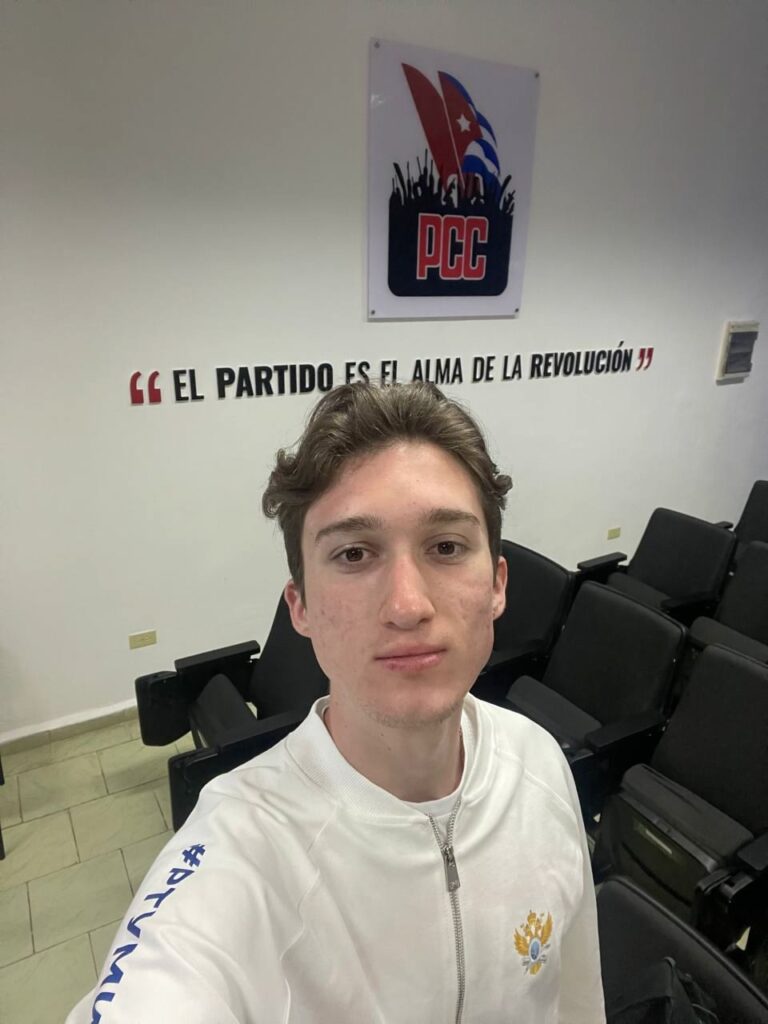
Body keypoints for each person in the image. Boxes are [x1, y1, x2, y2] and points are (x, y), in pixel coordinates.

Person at [67, 381, 605, 1023]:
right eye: (354, 553)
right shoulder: (240, 857)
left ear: (496, 584)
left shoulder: (540, 762)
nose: (408, 605)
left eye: (446, 547)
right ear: (300, 607)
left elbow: (579, 1003)